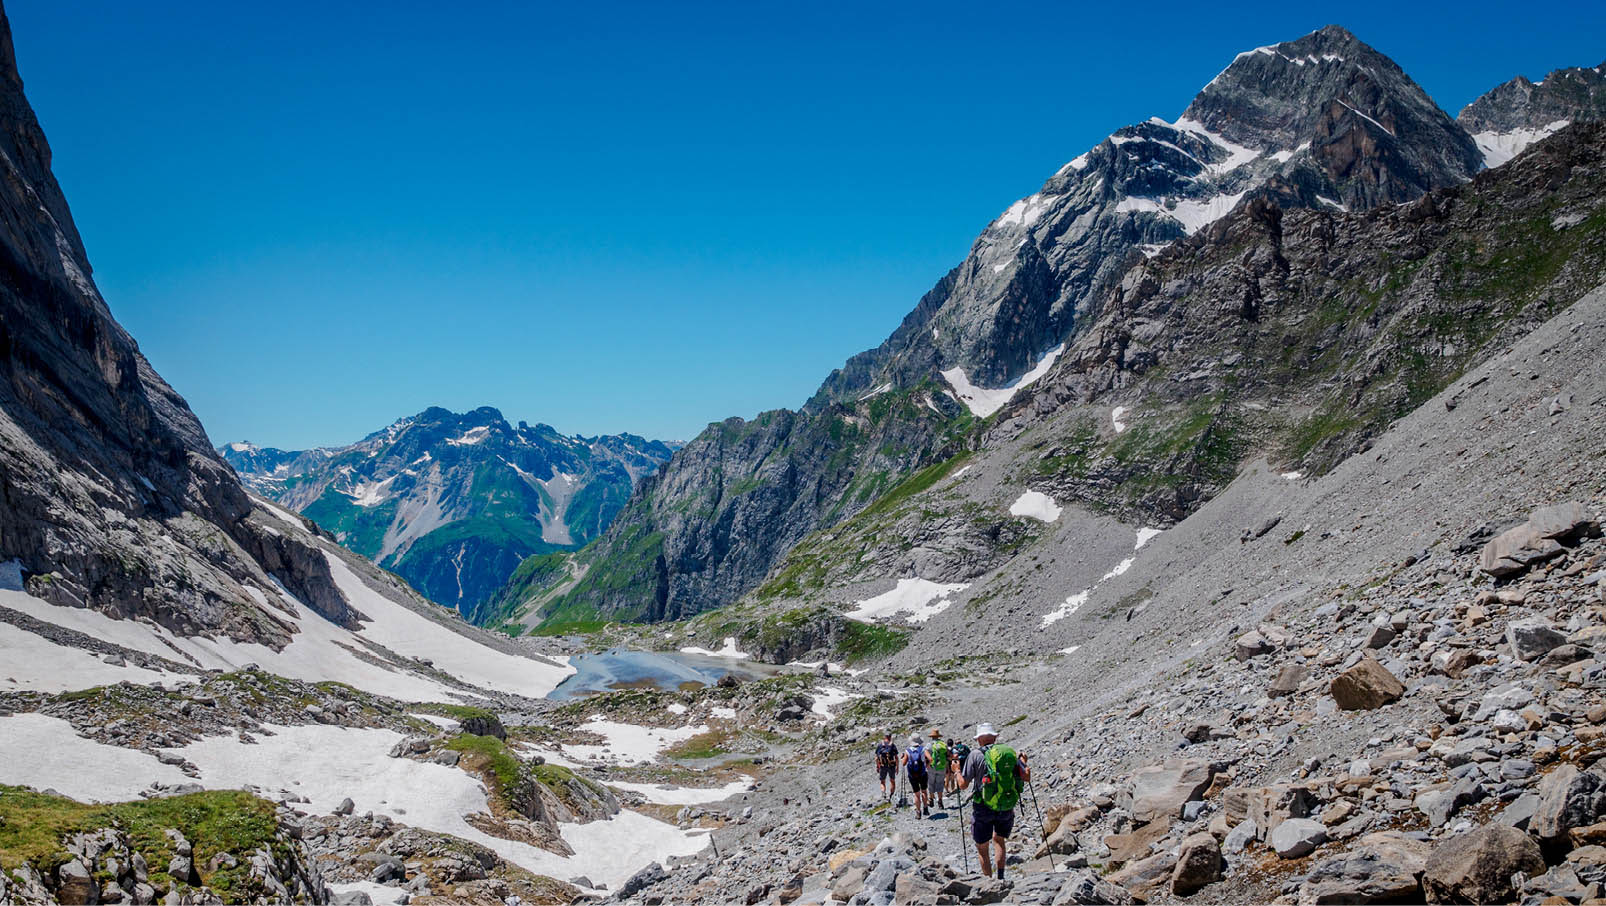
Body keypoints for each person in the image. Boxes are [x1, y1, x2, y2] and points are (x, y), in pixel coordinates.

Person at [959, 722, 1029, 880]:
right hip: (1005, 804)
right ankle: (1001, 877)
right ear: (995, 737)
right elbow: (1026, 777)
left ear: (979, 739)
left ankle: (989, 883)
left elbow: (963, 785)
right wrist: (1024, 762)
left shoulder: (975, 755)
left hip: (983, 806)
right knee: (999, 839)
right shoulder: (1009, 753)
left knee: (982, 847)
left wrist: (957, 771)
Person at [901, 734, 931, 817]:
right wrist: (927, 766)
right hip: (922, 773)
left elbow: (903, 763)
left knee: (916, 794)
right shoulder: (923, 749)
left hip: (912, 775)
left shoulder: (908, 751)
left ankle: (918, 812)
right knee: (924, 791)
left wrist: (902, 758)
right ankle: (925, 808)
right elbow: (930, 759)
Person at [927, 728, 950, 809]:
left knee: (931, 783)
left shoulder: (929, 745)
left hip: (932, 767)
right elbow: (948, 755)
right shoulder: (943, 744)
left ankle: (931, 799)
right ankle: (940, 802)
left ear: (932, 737)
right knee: (940, 784)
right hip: (942, 767)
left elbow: (925, 754)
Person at [874, 732, 899, 801]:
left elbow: (876, 758)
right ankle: (891, 795)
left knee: (882, 781)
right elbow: (896, 757)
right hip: (891, 766)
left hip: (882, 765)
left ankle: (883, 793)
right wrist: (897, 767)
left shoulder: (880, 745)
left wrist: (878, 766)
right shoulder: (892, 745)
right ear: (890, 737)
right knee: (892, 781)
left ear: (884, 737)